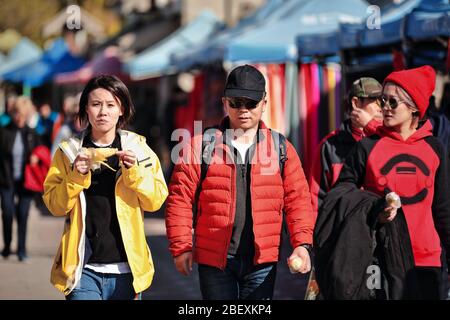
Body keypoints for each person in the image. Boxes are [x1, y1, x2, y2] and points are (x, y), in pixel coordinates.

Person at [165, 64, 314, 300]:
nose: (243, 110)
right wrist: (181, 246)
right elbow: (179, 199)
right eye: (236, 103)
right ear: (225, 102)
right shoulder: (200, 146)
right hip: (215, 261)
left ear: (264, 103)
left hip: (262, 261)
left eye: (251, 103)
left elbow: (298, 200)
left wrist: (302, 244)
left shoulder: (281, 148)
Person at [42, 75, 168, 300]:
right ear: (86, 110)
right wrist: (75, 176)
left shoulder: (139, 150)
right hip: (83, 271)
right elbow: (55, 206)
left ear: (122, 110)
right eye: (96, 104)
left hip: (128, 271)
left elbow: (156, 201)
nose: (103, 112)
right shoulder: (68, 152)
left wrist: (134, 172)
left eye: (111, 105)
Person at [330, 65, 450, 299]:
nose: (384, 107)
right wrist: (374, 210)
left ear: (414, 106)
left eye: (393, 102)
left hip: (425, 260)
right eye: (382, 100)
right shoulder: (367, 146)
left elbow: (443, 209)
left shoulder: (434, 148)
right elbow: (341, 193)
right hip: (379, 258)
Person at [309, 77, 383, 217]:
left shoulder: (385, 140)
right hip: (343, 233)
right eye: (376, 100)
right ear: (355, 103)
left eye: (383, 100)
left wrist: (372, 127)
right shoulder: (330, 145)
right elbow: (315, 198)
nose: (382, 107)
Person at [0, 96, 41, 262]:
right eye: (17, 113)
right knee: (8, 213)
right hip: (6, 180)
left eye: (23, 114)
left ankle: (22, 250)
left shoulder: (32, 133)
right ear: (12, 112)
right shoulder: (3, 132)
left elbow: (42, 150)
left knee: (23, 214)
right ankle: (7, 246)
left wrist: (36, 157)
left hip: (26, 182)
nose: (19, 117)